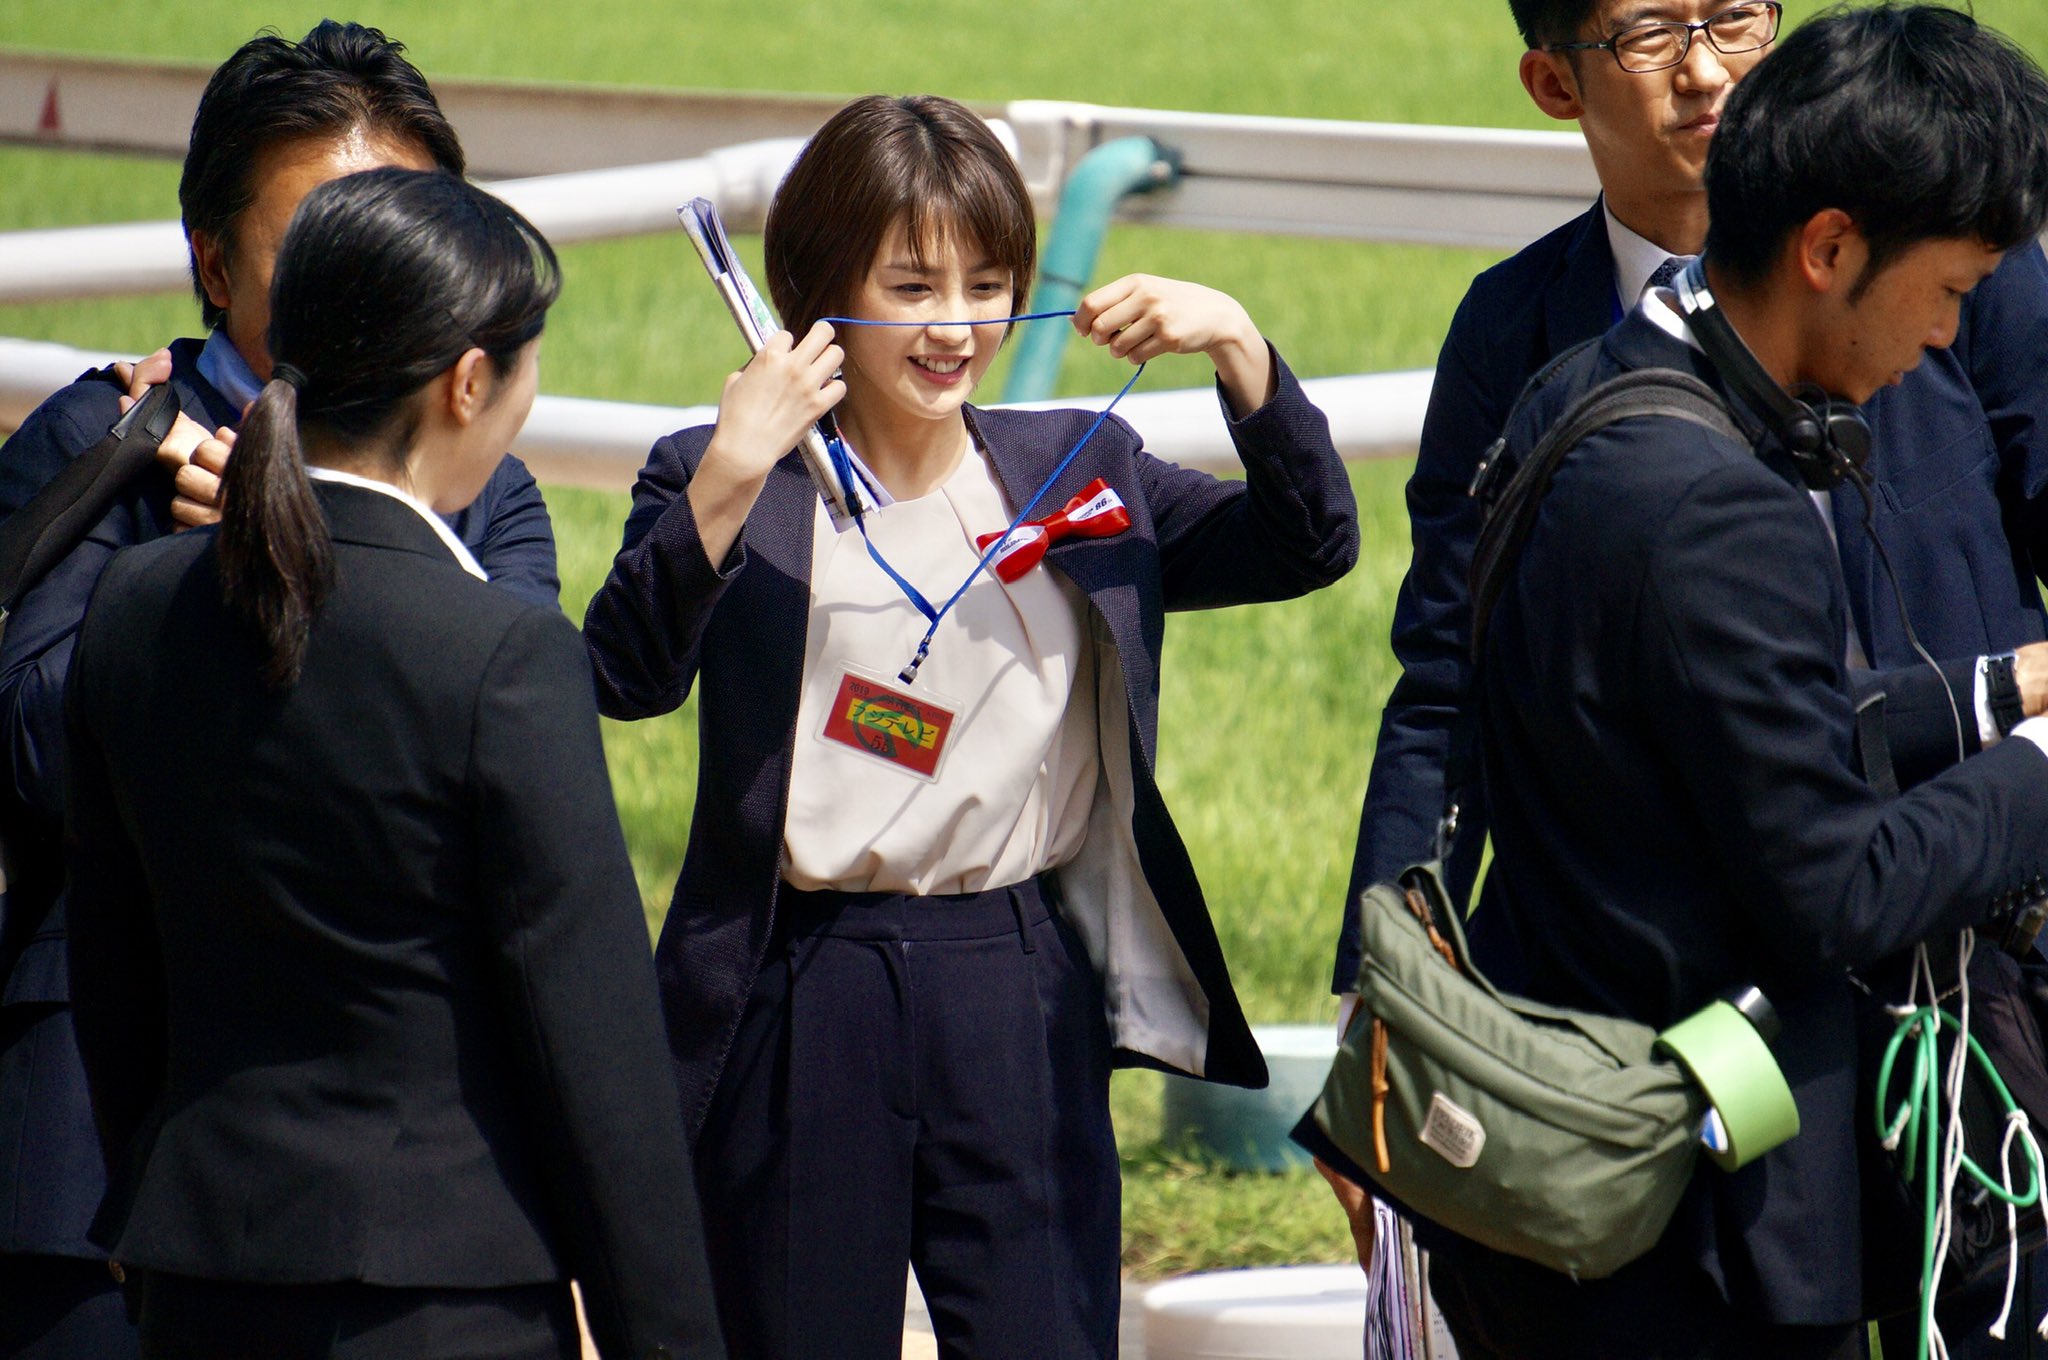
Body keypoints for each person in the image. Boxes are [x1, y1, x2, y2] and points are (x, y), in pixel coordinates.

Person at [582, 93, 1358, 1358]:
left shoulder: (1076, 464)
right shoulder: (721, 473)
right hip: (804, 978)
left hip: (1014, 976)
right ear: (818, 290)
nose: (955, 325)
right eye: (911, 286)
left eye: (987, 285)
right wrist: (728, 472)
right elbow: (622, 676)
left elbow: (1310, 540)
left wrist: (1234, 342)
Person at [1320, 1, 2048, 1349]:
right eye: (1655, 28)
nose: (1705, 66)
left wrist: (1999, 693)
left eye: (1734, 16)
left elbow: (1760, 716)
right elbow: (1826, 880)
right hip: (1723, 1153)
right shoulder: (1691, 476)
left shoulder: (1604, 382)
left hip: (1925, 1018)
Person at [62, 165, 723, 1360]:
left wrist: (148, 1193)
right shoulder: (501, 654)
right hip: (442, 1298)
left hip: (198, 1273)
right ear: (468, 382)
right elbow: (594, 1053)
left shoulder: (136, 604)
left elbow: (115, 963)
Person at [0, 24, 557, 1356]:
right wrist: (206, 578)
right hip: (93, 1158)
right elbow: (29, 751)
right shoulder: (107, 437)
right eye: (316, 240)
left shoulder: (490, 490)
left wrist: (316, 549)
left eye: (398, 227)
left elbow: (518, 779)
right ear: (212, 262)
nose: (361, 276)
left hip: (411, 1169)